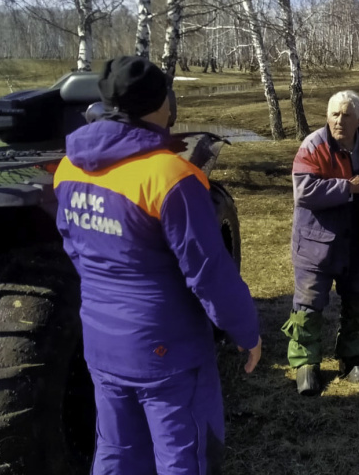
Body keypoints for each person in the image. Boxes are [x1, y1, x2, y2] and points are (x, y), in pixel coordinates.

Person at [54, 56, 261, 475]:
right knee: (183, 458)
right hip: (168, 353)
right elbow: (209, 272)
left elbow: (75, 249)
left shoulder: (67, 167)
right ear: (160, 103)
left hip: (101, 341)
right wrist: (246, 332)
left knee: (116, 453)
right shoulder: (170, 176)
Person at [282, 90, 359, 396]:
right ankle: (306, 364)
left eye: (347, 115)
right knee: (308, 306)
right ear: (327, 116)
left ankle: (352, 358)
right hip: (315, 245)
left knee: (357, 302)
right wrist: (348, 188)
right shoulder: (313, 146)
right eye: (334, 114)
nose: (340, 120)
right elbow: (304, 191)